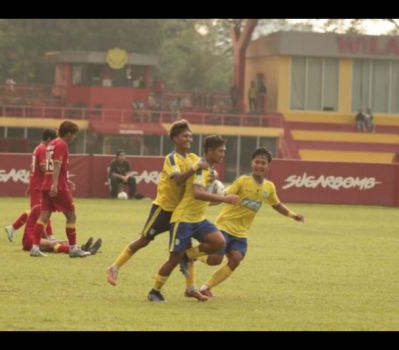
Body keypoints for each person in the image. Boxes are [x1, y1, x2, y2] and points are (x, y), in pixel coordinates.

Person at [106, 119, 212, 300]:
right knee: (144, 239)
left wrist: (212, 174)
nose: (189, 139)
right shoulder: (171, 158)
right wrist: (196, 168)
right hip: (164, 208)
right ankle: (114, 267)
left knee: (185, 249)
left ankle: (191, 288)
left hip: (181, 212)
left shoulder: (194, 157)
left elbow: (204, 170)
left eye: (190, 136)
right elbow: (178, 179)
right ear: (175, 138)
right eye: (185, 136)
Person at [186, 147, 304, 298]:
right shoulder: (242, 181)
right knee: (215, 260)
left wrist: (293, 215)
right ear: (251, 163)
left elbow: (276, 205)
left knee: (235, 259)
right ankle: (190, 254)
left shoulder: (269, 187)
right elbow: (225, 194)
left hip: (241, 232)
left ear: (268, 166)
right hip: (225, 226)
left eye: (263, 163)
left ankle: (205, 288)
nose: (259, 166)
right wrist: (214, 192)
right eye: (257, 162)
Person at [146, 135, 239, 302]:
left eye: (224, 151)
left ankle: (187, 256)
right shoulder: (201, 168)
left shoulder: (209, 169)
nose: (223, 154)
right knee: (173, 259)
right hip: (183, 219)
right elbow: (197, 193)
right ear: (209, 151)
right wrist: (223, 199)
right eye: (220, 151)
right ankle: (155, 291)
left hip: (198, 219)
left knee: (219, 242)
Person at [28, 120, 91, 258]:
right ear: (68, 133)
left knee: (44, 216)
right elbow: (56, 164)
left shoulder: (51, 144)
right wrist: (56, 184)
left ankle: (35, 247)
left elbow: (52, 167)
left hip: (46, 183)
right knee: (71, 215)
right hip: (57, 186)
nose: (73, 137)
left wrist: (65, 180)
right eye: (73, 135)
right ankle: (73, 248)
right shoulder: (62, 144)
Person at [5, 128, 57, 242]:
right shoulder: (43, 149)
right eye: (54, 140)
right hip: (39, 186)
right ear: (49, 139)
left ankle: (48, 235)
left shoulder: (37, 148)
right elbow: (43, 167)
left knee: (42, 210)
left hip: (37, 184)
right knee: (41, 211)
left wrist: (30, 184)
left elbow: (32, 167)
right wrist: (56, 173)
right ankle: (13, 228)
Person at [20, 204, 102, 256]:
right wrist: (49, 240)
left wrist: (55, 240)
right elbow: (42, 229)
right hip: (30, 240)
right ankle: (83, 250)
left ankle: (85, 249)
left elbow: (45, 230)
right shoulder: (39, 208)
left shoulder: (44, 210)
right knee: (53, 244)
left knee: (58, 244)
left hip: (33, 240)